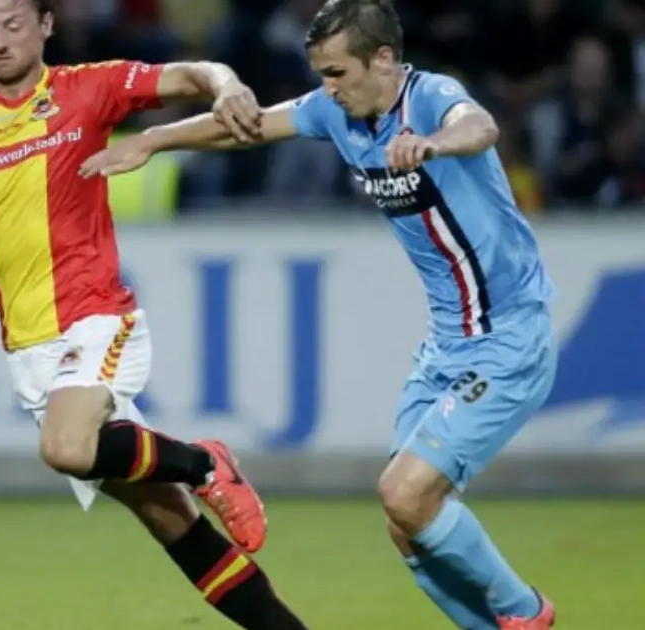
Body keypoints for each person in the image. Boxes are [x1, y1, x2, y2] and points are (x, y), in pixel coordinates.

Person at [80, 1, 557, 629]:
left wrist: (433, 144)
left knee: (406, 494)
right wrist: (153, 140)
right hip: (447, 346)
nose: (328, 89)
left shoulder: (430, 98)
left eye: (337, 73)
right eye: (322, 75)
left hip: (510, 337)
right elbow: (247, 126)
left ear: (382, 60)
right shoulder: (338, 113)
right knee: (408, 523)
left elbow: (480, 126)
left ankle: (525, 613)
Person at [0, 1, 311, 629]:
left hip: (95, 316)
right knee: (170, 520)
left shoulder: (88, 88)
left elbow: (194, 73)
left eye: (13, 25)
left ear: (46, 25)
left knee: (66, 447)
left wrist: (227, 85)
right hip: (29, 349)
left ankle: (203, 461)